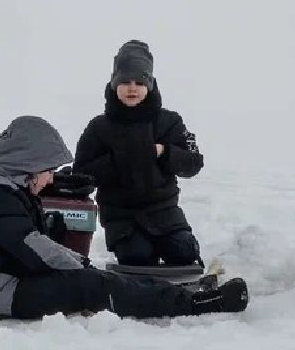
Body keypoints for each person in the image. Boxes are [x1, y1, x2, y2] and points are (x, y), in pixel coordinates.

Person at [0, 115, 248, 319]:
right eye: (48, 171)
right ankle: (195, 305)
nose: (50, 180)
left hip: (7, 277)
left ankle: (178, 293)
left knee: (92, 274)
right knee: (91, 286)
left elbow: (25, 242)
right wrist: (78, 264)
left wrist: (72, 256)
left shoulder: (0, 183)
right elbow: (32, 248)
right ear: (27, 162)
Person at [73, 41, 204, 267]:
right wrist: (118, 159)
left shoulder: (170, 121)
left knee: (184, 252)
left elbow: (193, 162)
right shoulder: (98, 127)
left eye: (139, 82)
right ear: (114, 84)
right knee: (137, 257)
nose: (132, 88)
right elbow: (81, 174)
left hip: (164, 211)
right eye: (125, 81)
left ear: (150, 85)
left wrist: (164, 152)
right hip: (121, 216)